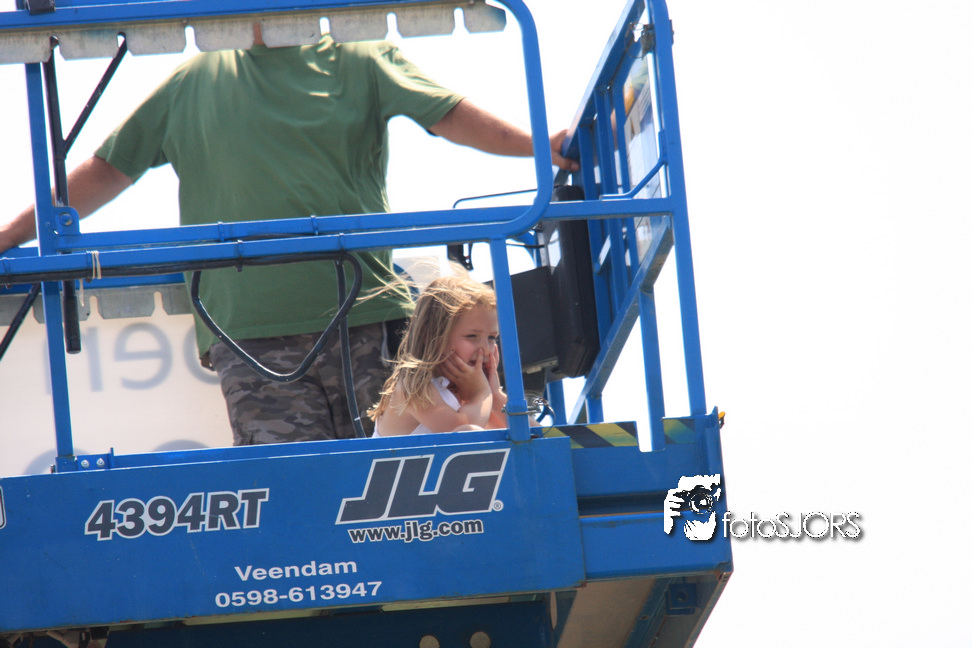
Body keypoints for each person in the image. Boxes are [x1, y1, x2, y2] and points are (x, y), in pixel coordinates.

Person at [0, 25, 578, 446]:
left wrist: (540, 146)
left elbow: (446, 111)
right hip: (248, 336)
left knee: (401, 494)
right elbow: (108, 168)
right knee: (298, 506)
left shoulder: (358, 55)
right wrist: (9, 234)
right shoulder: (192, 81)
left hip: (365, 321)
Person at [369, 273, 508, 436]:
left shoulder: (470, 395)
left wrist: (494, 394)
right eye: (471, 336)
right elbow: (462, 430)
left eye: (491, 338)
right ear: (431, 336)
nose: (485, 349)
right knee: (470, 431)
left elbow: (527, 433)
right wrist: (482, 393)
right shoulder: (413, 387)